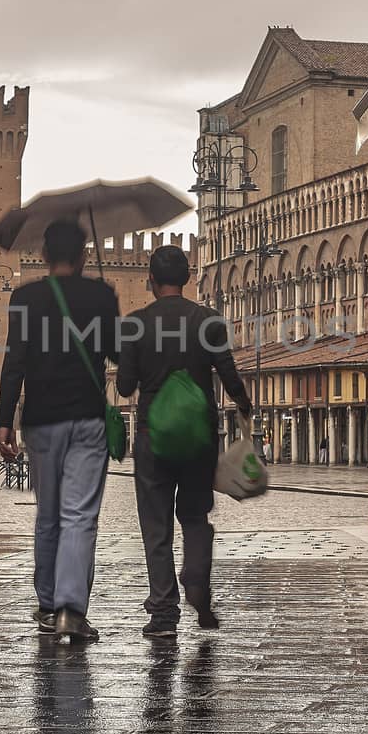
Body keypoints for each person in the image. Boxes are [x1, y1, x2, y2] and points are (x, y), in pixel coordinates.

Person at [116, 245, 250, 638]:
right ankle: (197, 582)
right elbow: (228, 373)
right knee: (194, 517)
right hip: (198, 436)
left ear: (150, 281)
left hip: (151, 436)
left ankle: (163, 614)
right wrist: (244, 403)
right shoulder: (208, 320)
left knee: (156, 525)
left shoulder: (135, 324)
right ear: (189, 278)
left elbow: (124, 387)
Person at [0, 219, 119, 643]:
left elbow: (14, 362)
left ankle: (48, 605)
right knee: (80, 515)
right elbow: (116, 350)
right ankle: (70, 609)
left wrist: (2, 420)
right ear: (85, 255)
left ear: (44, 256)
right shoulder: (101, 294)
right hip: (87, 418)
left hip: (41, 420)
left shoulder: (25, 298)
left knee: (48, 514)